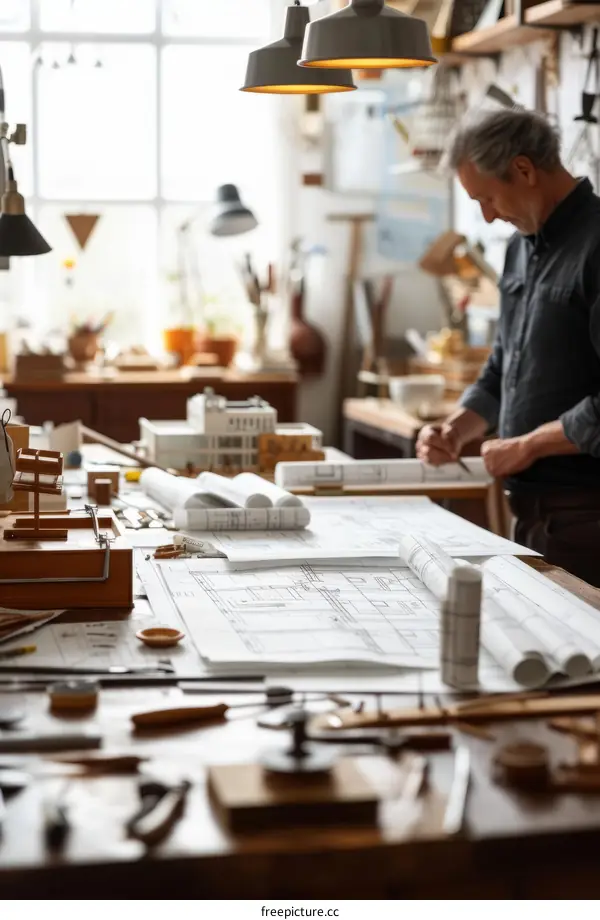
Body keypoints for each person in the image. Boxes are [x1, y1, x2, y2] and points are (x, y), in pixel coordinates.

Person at [416, 108, 600, 587]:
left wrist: (528, 446)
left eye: (488, 198)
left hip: (587, 516)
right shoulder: (521, 246)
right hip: (533, 515)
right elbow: (504, 366)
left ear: (523, 170)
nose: (488, 215)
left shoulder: (597, 246)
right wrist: (455, 430)